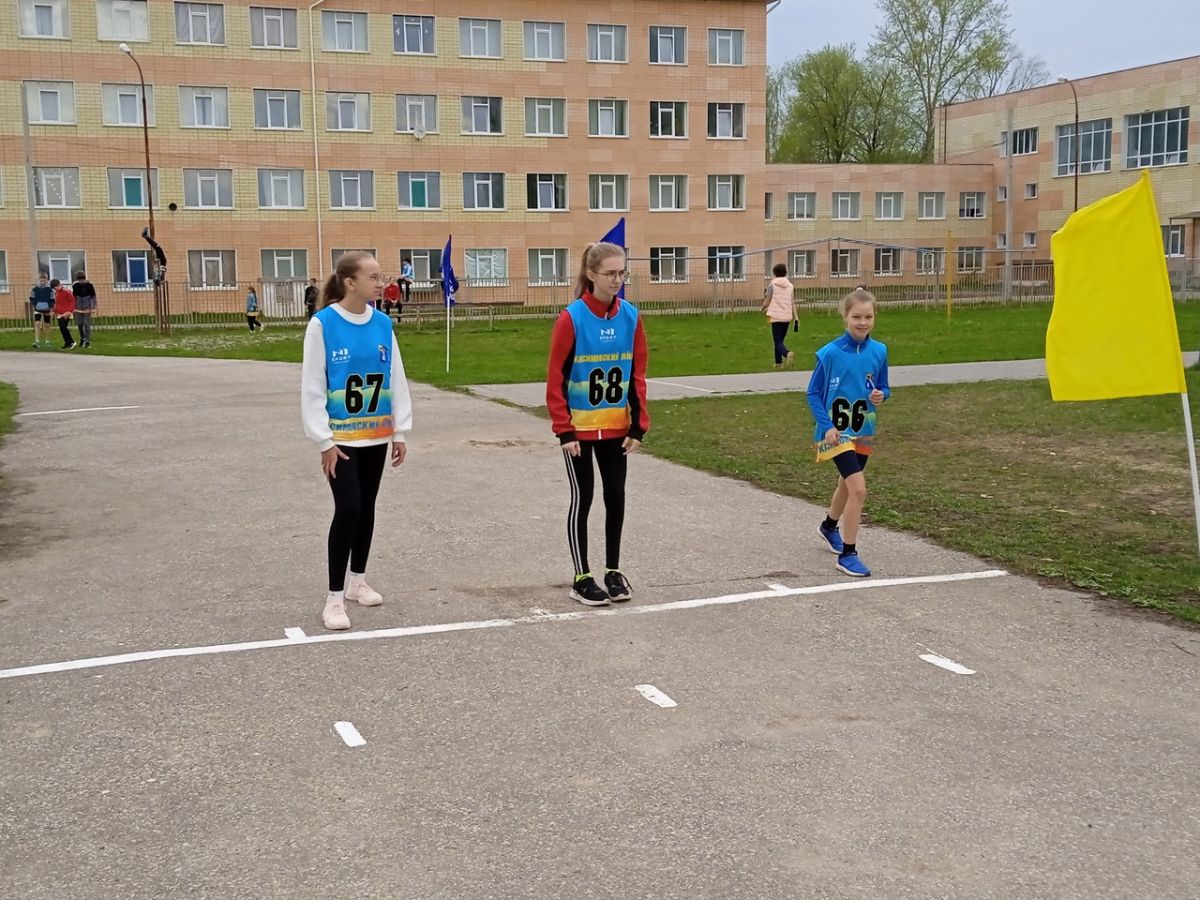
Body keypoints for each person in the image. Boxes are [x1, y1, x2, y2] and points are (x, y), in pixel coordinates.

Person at [301, 251, 412, 631]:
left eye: (381, 276)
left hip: (376, 435)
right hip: (342, 439)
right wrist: (324, 440)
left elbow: (395, 377)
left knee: (366, 509)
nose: (382, 283)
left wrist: (399, 431)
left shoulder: (382, 323)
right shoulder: (323, 324)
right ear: (350, 282)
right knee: (347, 508)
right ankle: (333, 599)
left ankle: (357, 582)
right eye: (374, 277)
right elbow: (313, 386)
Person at [546, 241, 650, 607]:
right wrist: (564, 429)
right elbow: (556, 379)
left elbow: (637, 375)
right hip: (579, 431)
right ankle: (582, 577)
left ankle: (613, 571)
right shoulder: (571, 318)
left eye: (622, 273)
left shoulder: (631, 317)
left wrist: (638, 426)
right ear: (591, 275)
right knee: (584, 497)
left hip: (616, 427)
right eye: (610, 273)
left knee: (616, 497)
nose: (617, 280)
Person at [806, 288, 890, 578]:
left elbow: (883, 385)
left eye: (868, 317)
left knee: (846, 484)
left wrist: (882, 395)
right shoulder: (830, 353)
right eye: (856, 317)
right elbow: (813, 393)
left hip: (863, 429)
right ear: (845, 317)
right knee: (858, 489)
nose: (862, 323)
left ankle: (829, 527)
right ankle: (848, 554)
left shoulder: (879, 351)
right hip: (836, 433)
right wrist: (827, 426)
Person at [761, 262, 798, 368]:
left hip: (775, 316)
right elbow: (792, 302)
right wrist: (796, 317)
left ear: (774, 273)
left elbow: (767, 300)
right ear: (785, 273)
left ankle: (787, 353)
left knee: (777, 340)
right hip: (787, 317)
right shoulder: (790, 286)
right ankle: (778, 362)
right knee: (780, 340)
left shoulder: (772, 285)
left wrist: (762, 308)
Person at [72, 271, 97, 349]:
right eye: (79, 280)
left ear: (84, 279)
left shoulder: (89, 286)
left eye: (82, 279)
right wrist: (73, 307)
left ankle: (87, 341)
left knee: (86, 324)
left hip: (87, 307)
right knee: (79, 324)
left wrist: (93, 307)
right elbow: (74, 297)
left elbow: (93, 297)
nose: (81, 281)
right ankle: (82, 338)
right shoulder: (75, 286)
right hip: (78, 307)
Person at [29, 273, 54, 349]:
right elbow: (32, 298)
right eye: (41, 279)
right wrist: (36, 305)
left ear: (47, 279)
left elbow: (52, 299)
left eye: (44, 279)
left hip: (46, 309)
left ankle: (47, 340)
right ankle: (37, 341)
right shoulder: (35, 289)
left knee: (47, 325)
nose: (43, 281)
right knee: (37, 323)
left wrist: (48, 306)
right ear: (39, 279)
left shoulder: (50, 290)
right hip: (37, 308)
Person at [51, 278, 76, 350]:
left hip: (66, 312)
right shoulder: (56, 293)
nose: (56, 289)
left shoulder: (66, 291)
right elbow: (57, 303)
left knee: (63, 327)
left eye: (56, 287)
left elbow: (72, 301)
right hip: (60, 313)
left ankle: (71, 342)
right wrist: (54, 311)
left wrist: (69, 311)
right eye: (54, 288)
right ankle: (66, 342)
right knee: (61, 328)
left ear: (59, 285)